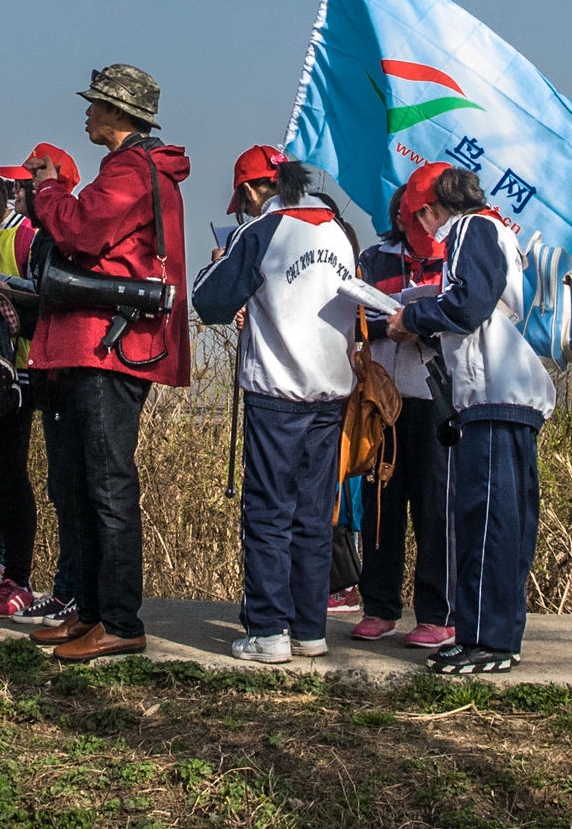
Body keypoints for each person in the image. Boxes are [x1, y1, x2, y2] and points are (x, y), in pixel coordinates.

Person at [24, 66, 190, 662]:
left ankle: (119, 619)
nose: (88, 114)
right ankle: (92, 612)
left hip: (107, 349)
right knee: (77, 484)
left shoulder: (129, 171)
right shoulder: (133, 170)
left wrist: (46, 189)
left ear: (119, 114)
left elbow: (80, 230)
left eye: (96, 106)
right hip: (91, 346)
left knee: (107, 484)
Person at [192, 146, 358, 664]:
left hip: (277, 392)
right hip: (331, 393)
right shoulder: (337, 229)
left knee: (267, 512)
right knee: (313, 516)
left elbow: (210, 302)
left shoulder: (261, 231)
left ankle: (267, 630)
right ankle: (309, 629)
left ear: (247, 191)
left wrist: (222, 266)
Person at [389, 164, 555, 674]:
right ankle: (496, 634)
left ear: (427, 209)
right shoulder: (498, 230)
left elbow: (467, 305)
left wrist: (411, 317)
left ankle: (486, 640)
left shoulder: (469, 229)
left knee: (484, 519)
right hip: (513, 395)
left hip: (492, 394)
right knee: (507, 521)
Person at [0, 145, 81, 622]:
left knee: (10, 474)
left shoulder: (34, 237)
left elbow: (52, 299)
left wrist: (7, 294)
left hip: (20, 371)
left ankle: (18, 576)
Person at [350, 180, 456, 650]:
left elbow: (467, 315)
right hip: (384, 402)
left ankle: (437, 614)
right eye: (404, 216)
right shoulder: (376, 259)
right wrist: (389, 323)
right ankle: (379, 607)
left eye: (420, 215)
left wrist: (418, 323)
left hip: (439, 401)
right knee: (380, 509)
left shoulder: (458, 255)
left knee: (436, 508)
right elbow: (355, 313)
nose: (410, 224)